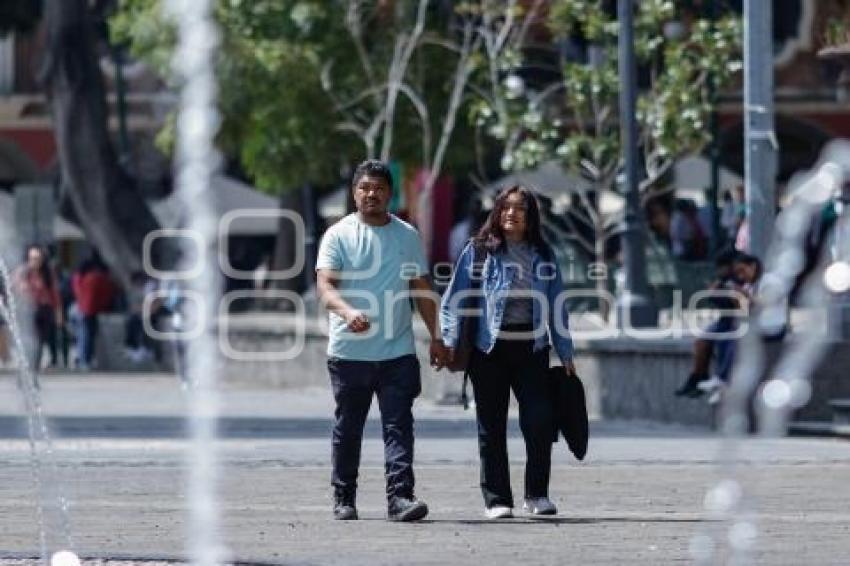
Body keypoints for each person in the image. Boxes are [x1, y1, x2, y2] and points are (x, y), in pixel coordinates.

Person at [315, 159, 448, 522]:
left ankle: (400, 498)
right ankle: (344, 496)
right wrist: (346, 312)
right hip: (349, 352)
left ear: (390, 193)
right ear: (354, 192)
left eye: (378, 188)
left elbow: (422, 290)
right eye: (364, 187)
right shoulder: (338, 234)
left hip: (397, 351)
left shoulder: (406, 235)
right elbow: (325, 288)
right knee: (349, 428)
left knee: (399, 426)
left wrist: (437, 337)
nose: (371, 193)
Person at [440, 185, 576, 520]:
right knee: (491, 425)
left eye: (520, 209)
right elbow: (453, 298)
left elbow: (557, 303)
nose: (511, 214)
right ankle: (497, 498)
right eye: (505, 208)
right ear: (497, 212)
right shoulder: (479, 251)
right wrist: (446, 340)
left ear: (531, 217)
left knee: (540, 421)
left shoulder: (543, 254)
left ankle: (537, 494)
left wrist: (566, 350)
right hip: (489, 349)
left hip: (532, 347)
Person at [675, 250, 741, 400]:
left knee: (728, 342)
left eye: (721, 268)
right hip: (725, 320)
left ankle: (722, 380)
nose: (719, 271)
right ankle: (698, 376)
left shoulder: (740, 280)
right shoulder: (723, 281)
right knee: (701, 341)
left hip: (737, 321)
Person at [12, 245, 63, 372]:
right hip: (27, 311)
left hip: (44, 310)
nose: (36, 262)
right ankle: (25, 369)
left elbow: (54, 295)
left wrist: (58, 313)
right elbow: (12, 288)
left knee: (40, 341)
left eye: (38, 259)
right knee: (28, 341)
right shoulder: (22, 273)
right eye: (33, 258)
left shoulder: (47, 273)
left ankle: (34, 369)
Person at [71, 253, 115, 370]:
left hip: (77, 308)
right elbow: (105, 295)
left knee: (81, 335)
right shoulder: (97, 278)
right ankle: (85, 360)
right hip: (89, 310)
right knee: (87, 336)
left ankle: (81, 359)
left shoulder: (78, 277)